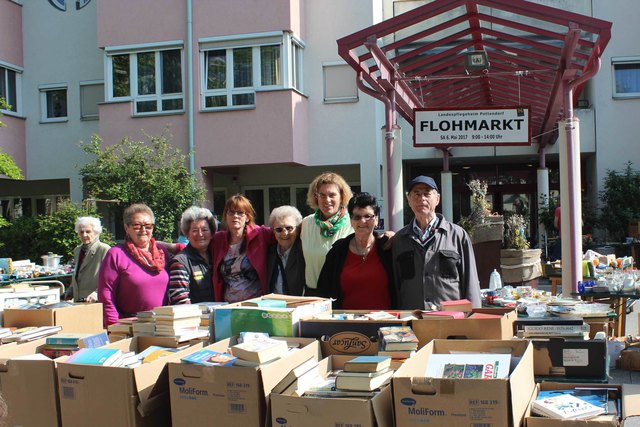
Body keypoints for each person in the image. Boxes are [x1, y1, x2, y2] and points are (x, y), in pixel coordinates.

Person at [392, 175, 481, 309]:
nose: (421, 198)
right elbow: (396, 284)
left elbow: (471, 281)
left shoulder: (458, 235)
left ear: (437, 199)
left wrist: (474, 318)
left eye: (427, 194)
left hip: (450, 319)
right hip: (412, 319)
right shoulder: (400, 239)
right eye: (416, 194)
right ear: (408, 200)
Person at [98, 203, 174, 325]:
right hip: (130, 325)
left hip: (162, 324)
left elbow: (187, 251)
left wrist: (174, 246)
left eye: (148, 226)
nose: (143, 230)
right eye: (137, 226)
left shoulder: (162, 252)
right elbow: (106, 294)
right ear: (126, 228)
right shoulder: (116, 254)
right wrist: (114, 326)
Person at [317, 193, 394, 309]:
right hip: (346, 323)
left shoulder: (388, 248)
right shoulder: (337, 252)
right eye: (357, 217)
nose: (362, 221)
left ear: (377, 219)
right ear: (351, 220)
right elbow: (324, 291)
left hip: (386, 322)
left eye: (368, 216)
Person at [211, 194, 275, 302]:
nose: (235, 216)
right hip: (227, 305)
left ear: (247, 217)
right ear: (225, 216)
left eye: (240, 213)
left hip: (256, 304)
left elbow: (282, 233)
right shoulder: (218, 240)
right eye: (231, 212)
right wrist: (177, 247)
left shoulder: (260, 234)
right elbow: (198, 243)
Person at [300, 172, 354, 293]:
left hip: (340, 293)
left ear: (342, 196)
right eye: (322, 195)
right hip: (312, 294)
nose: (327, 200)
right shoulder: (306, 223)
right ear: (316, 197)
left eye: (332, 195)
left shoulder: (353, 224)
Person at [168, 206, 217, 305]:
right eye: (194, 230)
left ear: (212, 233)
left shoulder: (217, 256)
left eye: (204, 230)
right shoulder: (180, 262)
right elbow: (180, 299)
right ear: (187, 234)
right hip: (195, 318)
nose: (200, 234)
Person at [67, 216, 110, 303]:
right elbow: (77, 274)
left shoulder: (104, 249)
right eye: (81, 232)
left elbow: (110, 277)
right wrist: (70, 291)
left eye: (88, 231)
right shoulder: (77, 250)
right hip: (78, 300)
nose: (84, 235)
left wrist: (97, 293)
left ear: (96, 232)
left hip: (94, 301)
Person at [266, 205, 305, 296]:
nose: (285, 233)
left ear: (297, 229)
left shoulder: (304, 252)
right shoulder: (269, 253)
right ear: (274, 232)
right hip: (273, 305)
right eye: (279, 229)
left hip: (298, 306)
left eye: (289, 228)